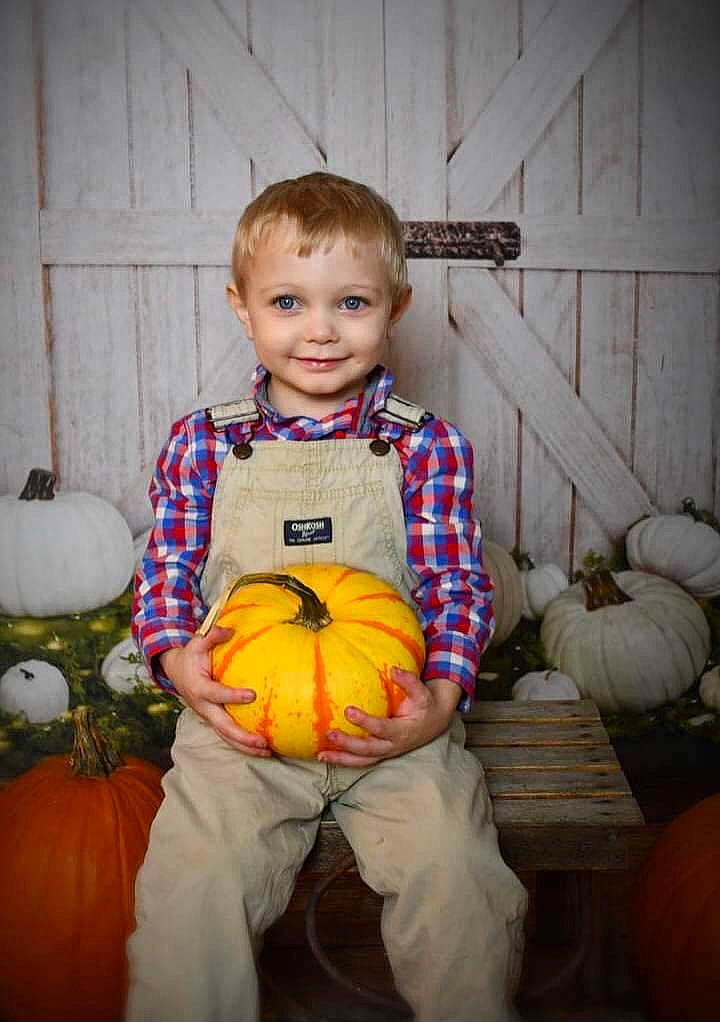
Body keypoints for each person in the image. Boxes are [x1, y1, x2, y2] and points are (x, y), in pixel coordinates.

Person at [126, 171, 528, 1022]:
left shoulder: (425, 448)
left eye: (351, 303)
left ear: (396, 307)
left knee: (458, 874)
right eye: (287, 302)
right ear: (241, 307)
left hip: (394, 728)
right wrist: (175, 661)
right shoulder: (203, 445)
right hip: (241, 732)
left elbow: (458, 586)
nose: (319, 330)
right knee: (192, 888)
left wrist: (440, 699)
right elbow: (164, 573)